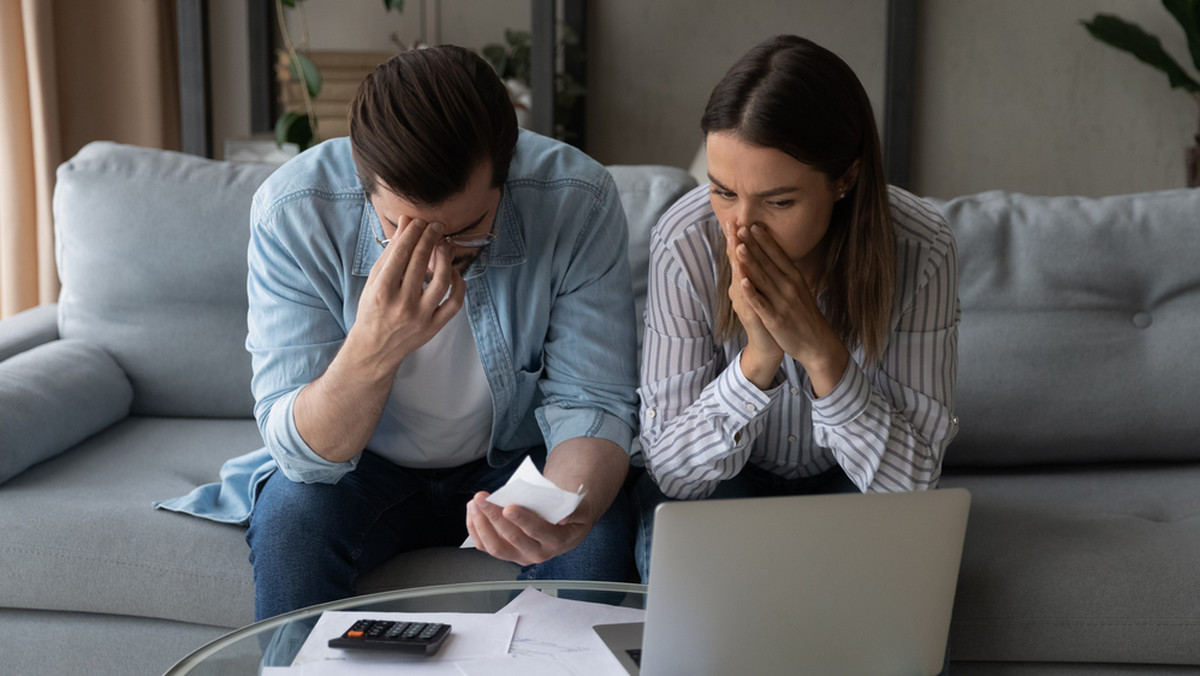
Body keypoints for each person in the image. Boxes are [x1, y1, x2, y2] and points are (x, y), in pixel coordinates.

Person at [155, 45, 639, 621]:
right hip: (362, 468)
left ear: (506, 179)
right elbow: (301, 454)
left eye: (467, 230)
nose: (436, 254)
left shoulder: (576, 201)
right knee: (292, 524)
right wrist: (373, 345)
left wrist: (569, 509)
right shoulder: (294, 211)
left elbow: (593, 403)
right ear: (365, 186)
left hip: (519, 457)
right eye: (400, 228)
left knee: (597, 539)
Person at [635, 34, 960, 579]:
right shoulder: (685, 241)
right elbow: (672, 473)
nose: (741, 228)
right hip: (723, 483)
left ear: (845, 179)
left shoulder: (922, 248)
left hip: (852, 482)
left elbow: (911, 486)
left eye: (779, 201)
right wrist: (757, 362)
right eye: (722, 192)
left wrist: (820, 353)